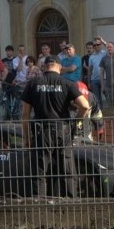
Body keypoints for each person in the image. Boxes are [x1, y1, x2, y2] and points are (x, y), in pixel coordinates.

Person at [20, 55, 89, 198]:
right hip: (62, 129)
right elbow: (85, 106)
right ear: (59, 66)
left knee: (39, 171)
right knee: (67, 169)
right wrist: (75, 122)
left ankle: (39, 206)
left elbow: (25, 114)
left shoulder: (33, 84)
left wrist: (27, 138)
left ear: (44, 67)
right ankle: (71, 203)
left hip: (41, 130)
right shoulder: (67, 83)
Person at [88, 37, 107, 107]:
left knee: (107, 97)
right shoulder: (91, 57)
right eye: (94, 45)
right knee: (97, 99)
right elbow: (89, 70)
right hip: (94, 80)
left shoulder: (104, 53)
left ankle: (108, 114)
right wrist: (89, 82)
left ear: (101, 45)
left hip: (104, 79)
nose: (96, 46)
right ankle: (100, 115)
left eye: (98, 44)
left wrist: (102, 40)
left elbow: (109, 47)